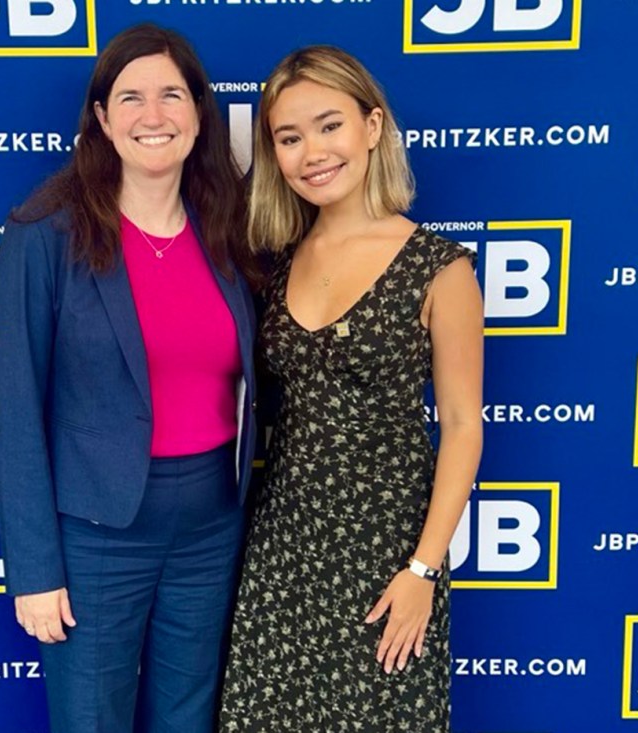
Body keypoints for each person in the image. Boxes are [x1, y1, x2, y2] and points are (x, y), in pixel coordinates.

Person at [0, 23, 258, 733]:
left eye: (172, 94)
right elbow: (15, 408)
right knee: (90, 718)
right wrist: (36, 570)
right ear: (103, 119)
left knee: (187, 714)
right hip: (98, 531)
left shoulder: (229, 224)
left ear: (200, 114)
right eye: (130, 97)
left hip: (211, 521)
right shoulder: (44, 232)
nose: (153, 114)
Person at [219, 46, 483, 732]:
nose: (313, 151)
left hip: (385, 549)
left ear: (372, 127)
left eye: (329, 125)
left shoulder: (438, 266)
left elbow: (461, 424)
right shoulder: (276, 261)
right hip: (283, 549)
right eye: (289, 137)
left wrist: (423, 571)